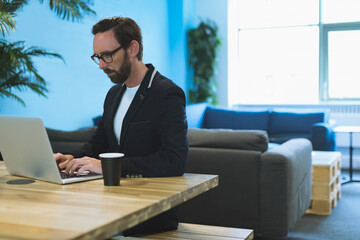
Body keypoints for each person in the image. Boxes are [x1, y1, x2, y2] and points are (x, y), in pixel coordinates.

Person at [54, 16, 189, 236]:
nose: (101, 65)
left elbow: (174, 161)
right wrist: (70, 158)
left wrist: (107, 166)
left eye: (107, 55)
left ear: (132, 49)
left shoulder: (167, 93)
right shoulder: (114, 93)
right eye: (97, 57)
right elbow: (99, 144)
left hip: (149, 217)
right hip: (109, 208)